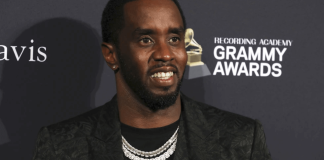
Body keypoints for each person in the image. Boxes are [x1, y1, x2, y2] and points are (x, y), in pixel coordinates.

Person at [33, 0, 272, 159]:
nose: (165, 54)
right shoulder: (61, 146)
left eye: (174, 39)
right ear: (111, 54)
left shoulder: (240, 140)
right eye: (146, 40)